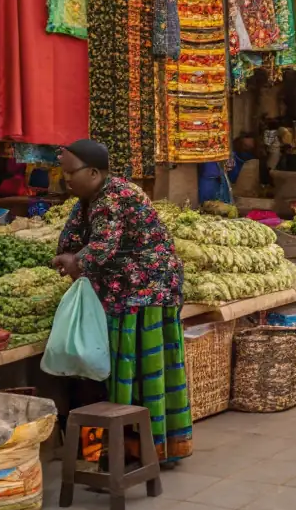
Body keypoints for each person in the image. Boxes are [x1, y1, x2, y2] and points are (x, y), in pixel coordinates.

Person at [53, 139, 192, 466]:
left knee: (134, 366)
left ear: (93, 172)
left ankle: (137, 450)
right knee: (110, 370)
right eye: (63, 172)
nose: (66, 179)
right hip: (119, 288)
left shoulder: (114, 197)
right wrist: (66, 256)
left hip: (146, 289)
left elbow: (100, 247)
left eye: (71, 172)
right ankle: (103, 447)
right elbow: (70, 240)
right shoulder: (87, 198)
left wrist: (74, 262)